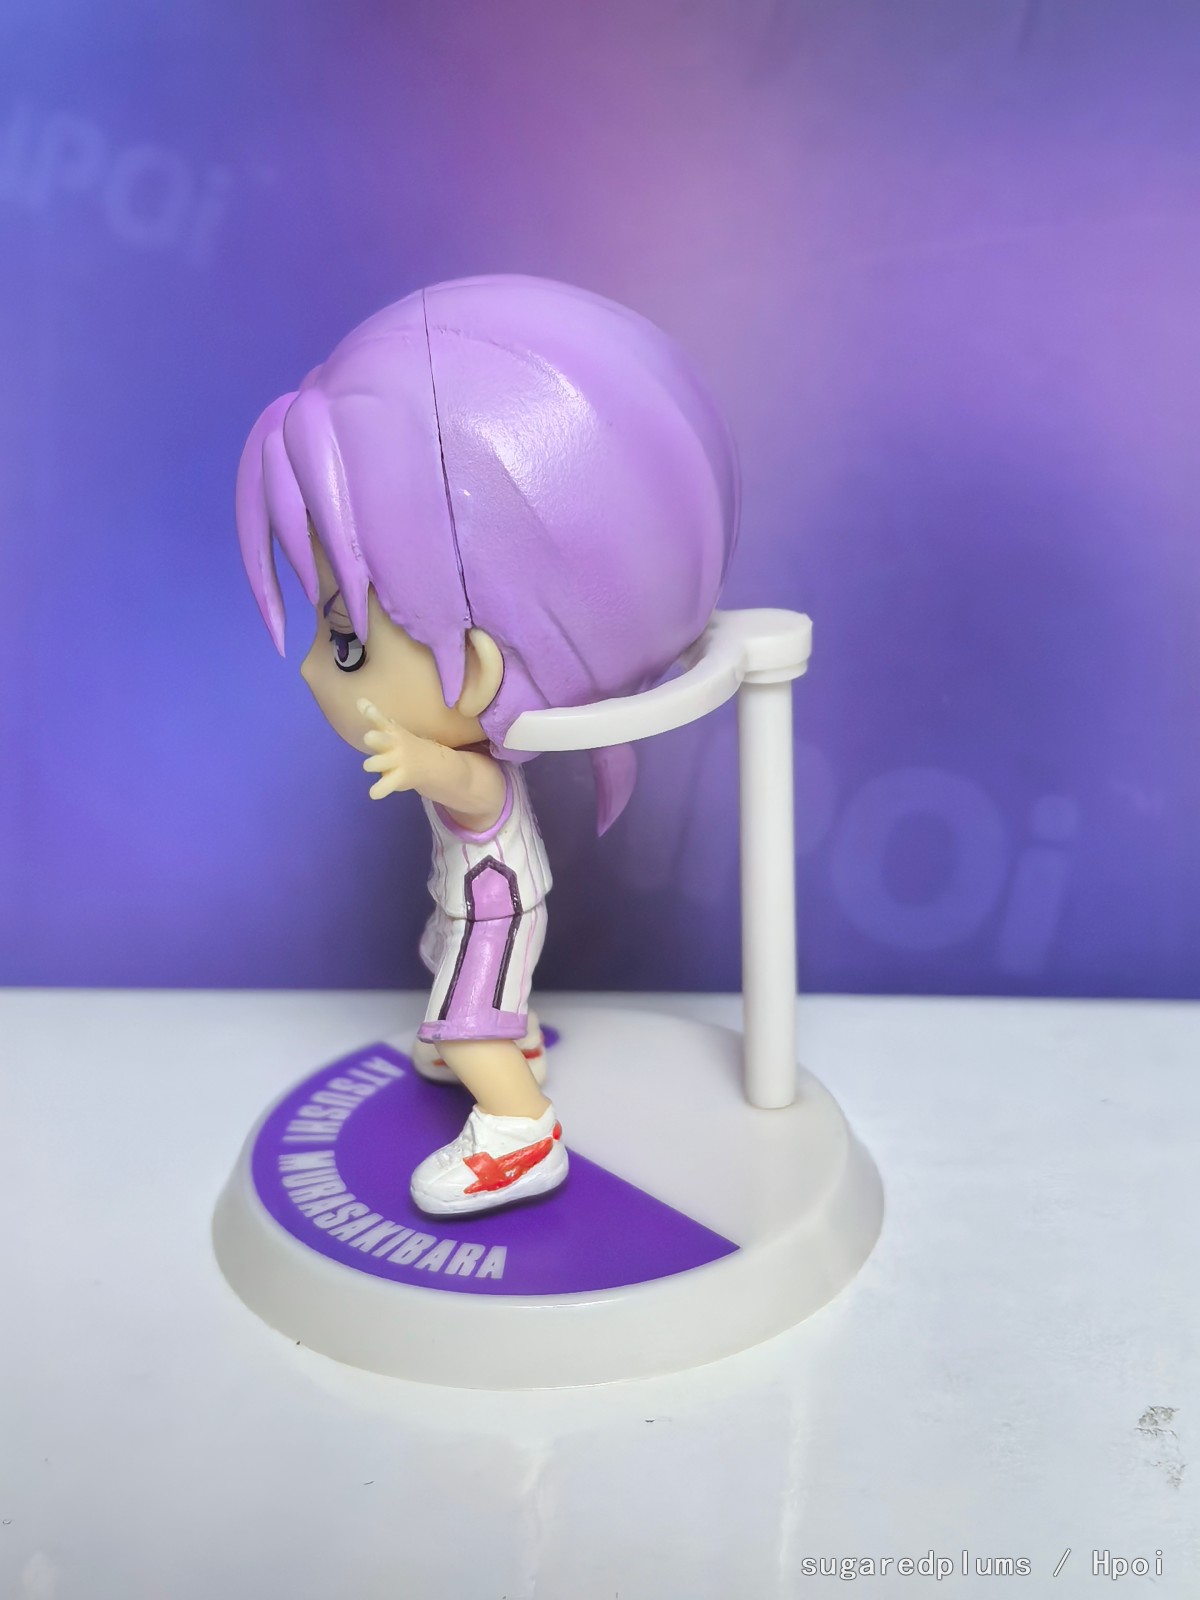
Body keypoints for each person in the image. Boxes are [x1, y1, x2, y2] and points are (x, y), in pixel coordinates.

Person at [234, 274, 738, 1215]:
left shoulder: (471, 769)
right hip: (474, 907)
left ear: (472, 670)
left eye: (346, 642)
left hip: (496, 911)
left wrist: (421, 762)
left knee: (466, 1024)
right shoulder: (481, 742)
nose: (314, 669)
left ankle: (519, 1132)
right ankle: (515, 1038)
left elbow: (475, 794)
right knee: (450, 974)